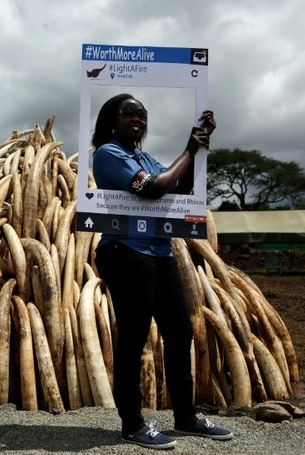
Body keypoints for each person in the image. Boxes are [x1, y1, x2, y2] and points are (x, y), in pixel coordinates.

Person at [91, 94, 233, 450]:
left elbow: (178, 186)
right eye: (129, 112)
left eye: (142, 113)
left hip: (158, 248)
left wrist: (198, 146)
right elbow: (153, 188)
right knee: (135, 336)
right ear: (112, 119)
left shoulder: (144, 156)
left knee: (179, 331)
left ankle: (185, 417)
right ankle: (133, 424)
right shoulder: (108, 153)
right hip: (125, 250)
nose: (137, 117)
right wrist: (187, 150)